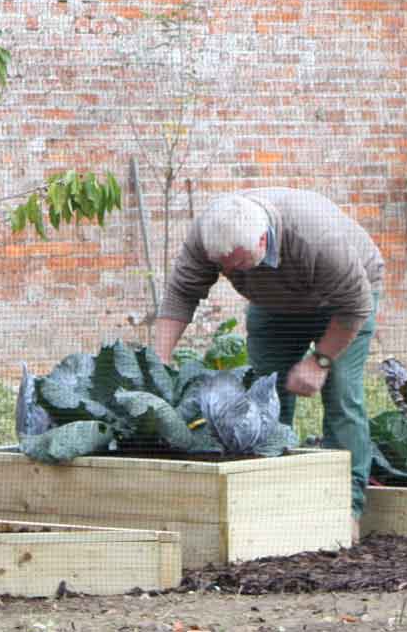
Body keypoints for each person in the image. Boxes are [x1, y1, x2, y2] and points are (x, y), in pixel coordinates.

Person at [151, 188, 384, 541]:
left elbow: (355, 306)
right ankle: (274, 502)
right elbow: (181, 293)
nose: (229, 272)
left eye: (238, 263)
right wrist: (159, 361)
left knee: (341, 398)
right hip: (273, 304)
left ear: (263, 239)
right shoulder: (210, 233)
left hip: (342, 304)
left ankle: (346, 509)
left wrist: (319, 360)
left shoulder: (315, 237)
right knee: (266, 397)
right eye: (222, 265)